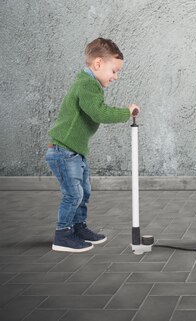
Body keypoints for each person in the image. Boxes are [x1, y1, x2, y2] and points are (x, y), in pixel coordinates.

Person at [46, 38, 139, 252]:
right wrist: (126, 112)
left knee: (84, 191)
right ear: (98, 64)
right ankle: (62, 235)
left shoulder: (91, 85)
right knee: (74, 194)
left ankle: (78, 227)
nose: (115, 77)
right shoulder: (86, 85)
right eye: (114, 71)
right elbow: (99, 112)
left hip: (74, 152)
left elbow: (97, 110)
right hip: (63, 151)